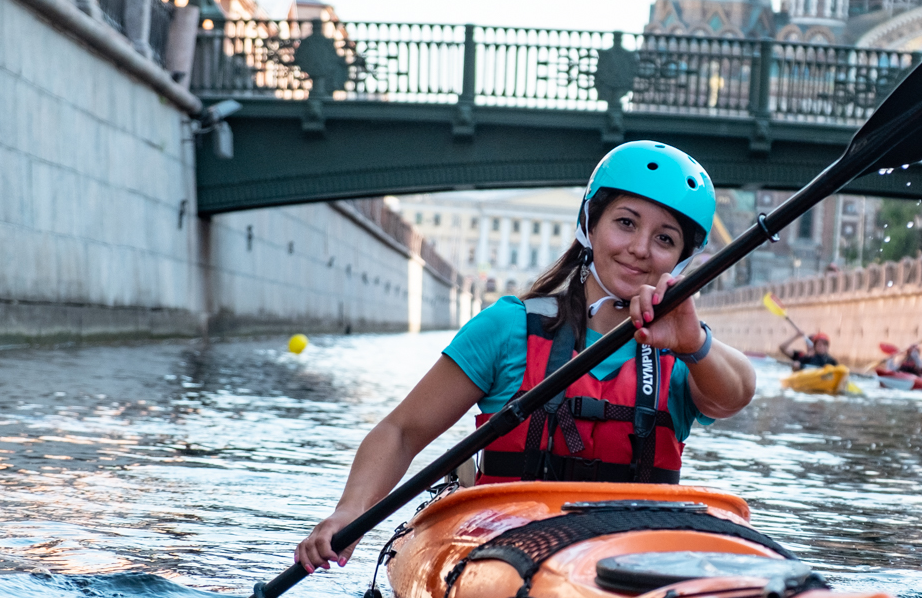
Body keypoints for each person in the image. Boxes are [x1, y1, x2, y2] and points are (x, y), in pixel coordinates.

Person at [294, 141, 757, 574]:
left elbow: (736, 394)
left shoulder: (683, 349)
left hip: (630, 562)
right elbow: (401, 431)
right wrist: (350, 511)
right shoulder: (510, 327)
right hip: (505, 554)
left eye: (665, 238)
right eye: (626, 223)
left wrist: (694, 344)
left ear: (680, 259)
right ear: (590, 224)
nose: (640, 249)